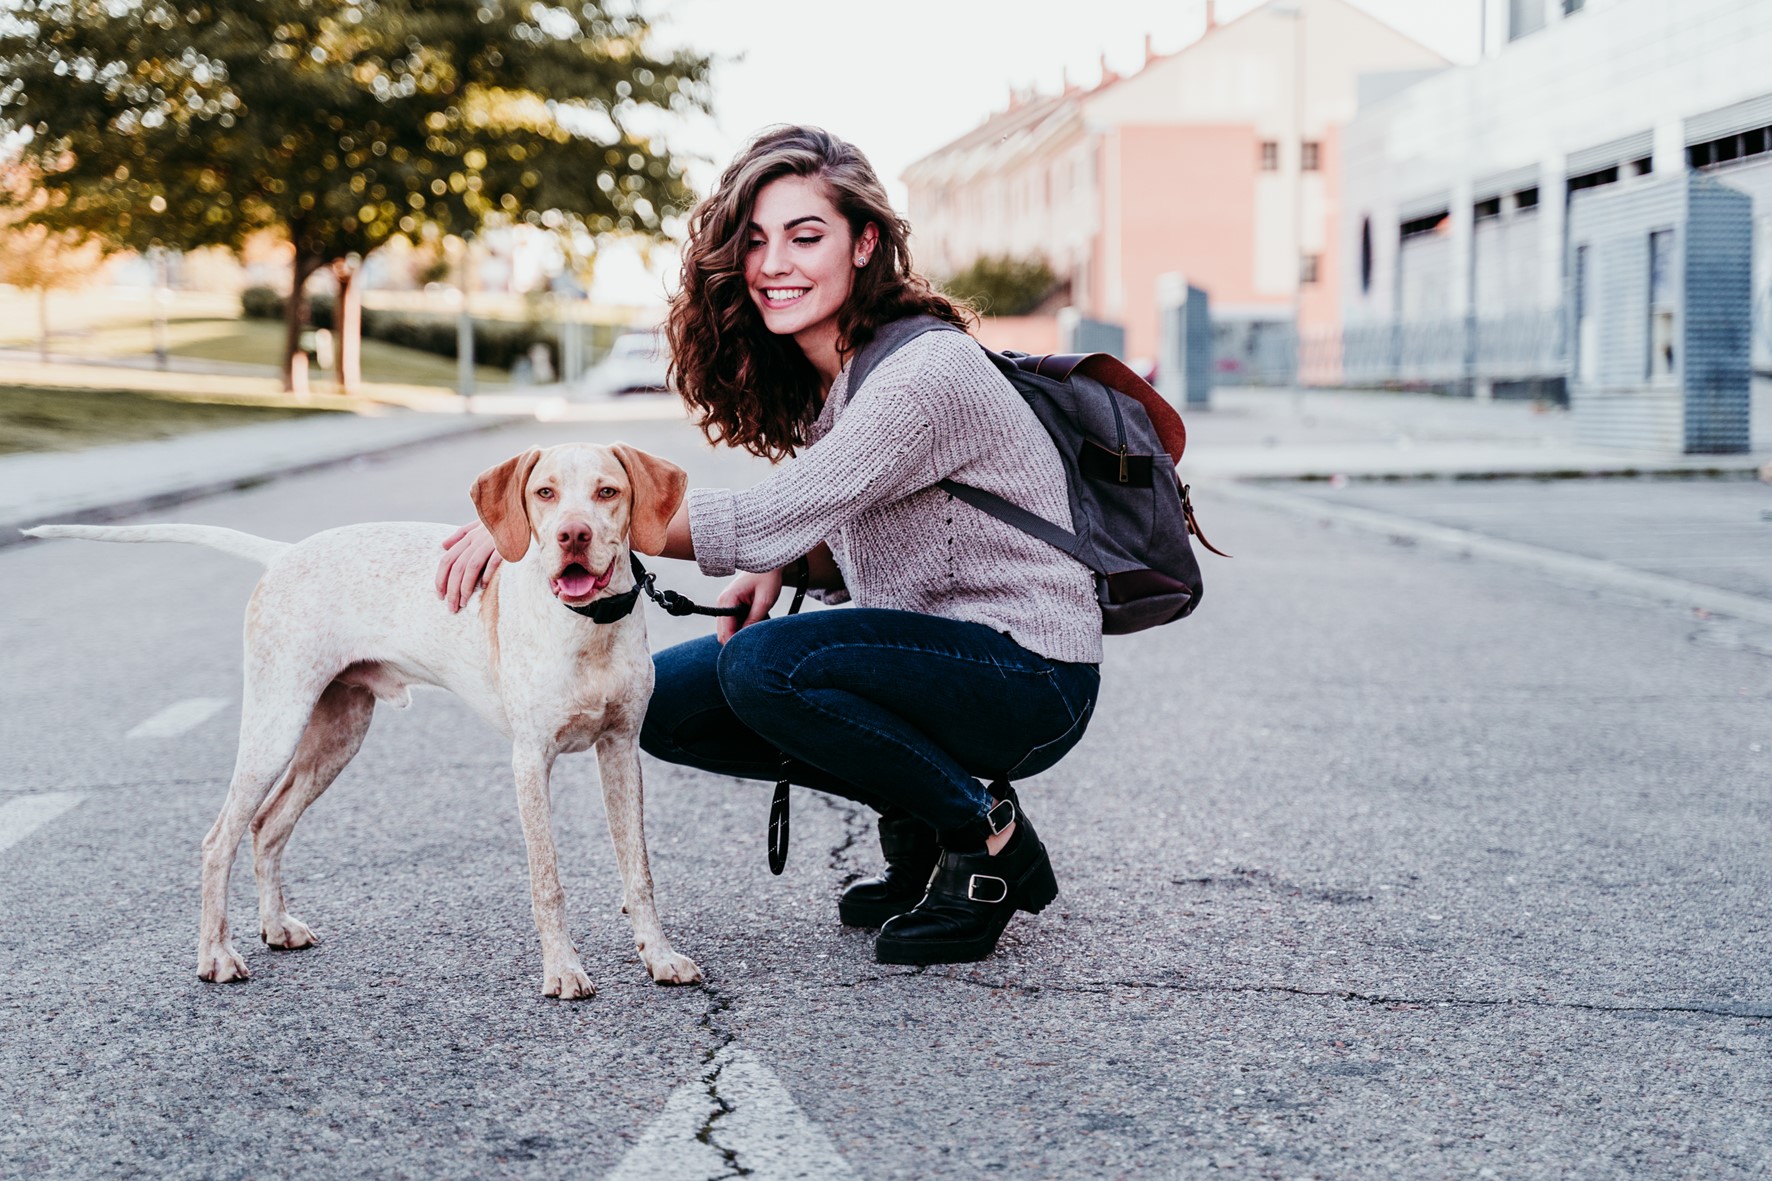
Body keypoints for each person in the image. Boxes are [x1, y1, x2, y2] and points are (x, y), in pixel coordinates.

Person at [437, 125, 1101, 965]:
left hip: (1029, 674)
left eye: (805, 235)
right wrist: (787, 562)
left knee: (766, 666)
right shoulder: (844, 378)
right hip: (953, 657)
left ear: (865, 243)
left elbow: (764, 516)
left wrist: (537, 524)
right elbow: (873, 530)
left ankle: (984, 840)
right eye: (754, 240)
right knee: (670, 701)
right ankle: (931, 818)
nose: (774, 262)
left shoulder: (921, 375)